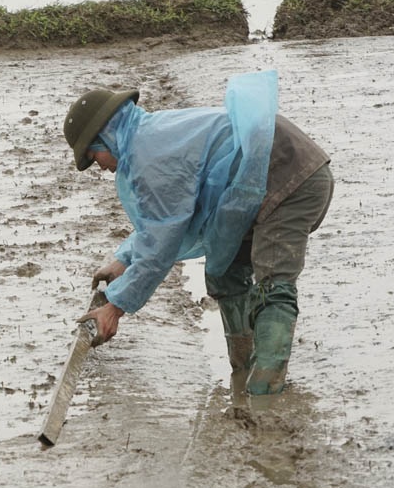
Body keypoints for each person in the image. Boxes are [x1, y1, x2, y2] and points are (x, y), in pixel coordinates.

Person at [62, 70, 333, 399]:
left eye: (94, 156)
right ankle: (244, 370)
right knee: (224, 271)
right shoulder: (144, 138)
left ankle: (265, 396)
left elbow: (162, 245)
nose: (101, 167)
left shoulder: (148, 156)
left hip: (288, 175)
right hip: (253, 185)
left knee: (273, 284)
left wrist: (114, 308)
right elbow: (168, 219)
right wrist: (123, 261)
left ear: (106, 136)